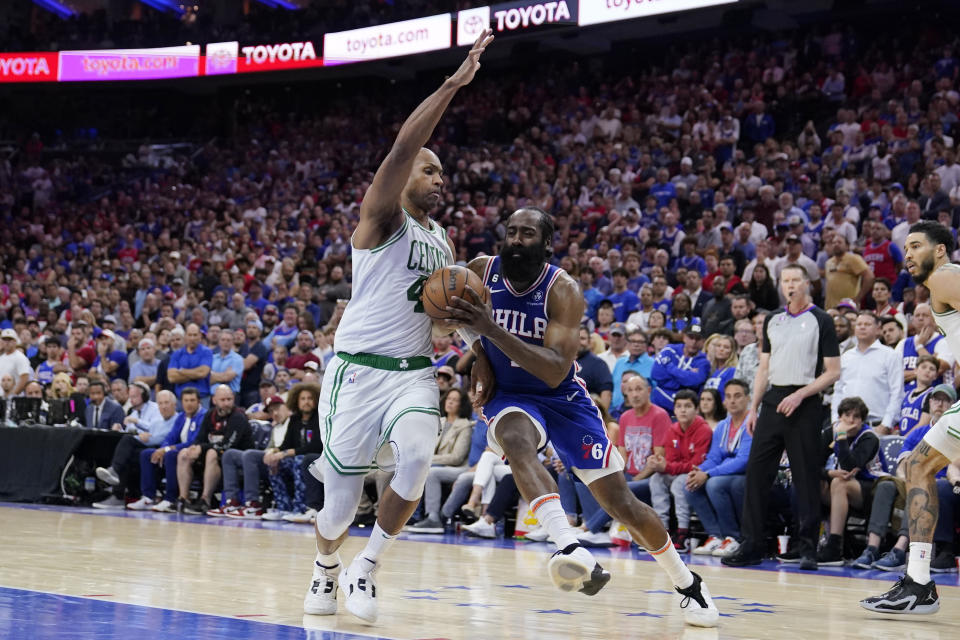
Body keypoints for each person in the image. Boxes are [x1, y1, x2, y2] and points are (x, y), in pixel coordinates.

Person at [448, 207, 718, 627]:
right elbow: (464, 320)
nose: (517, 240)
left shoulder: (563, 290)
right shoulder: (481, 270)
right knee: (517, 441)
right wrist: (481, 354)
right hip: (510, 394)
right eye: (512, 232)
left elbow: (555, 368)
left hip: (563, 396)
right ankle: (569, 546)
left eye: (527, 234)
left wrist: (494, 333)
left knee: (622, 503)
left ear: (547, 244)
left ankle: (686, 582)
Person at [302, 31, 493, 625]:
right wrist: (452, 85)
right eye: (430, 170)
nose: (440, 179)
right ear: (406, 174)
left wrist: (479, 355)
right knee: (335, 511)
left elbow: (457, 316)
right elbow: (405, 143)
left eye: (443, 174)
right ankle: (327, 566)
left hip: (413, 374)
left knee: (414, 457)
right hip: (355, 374)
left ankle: (367, 567)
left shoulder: (443, 242)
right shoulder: (382, 218)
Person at [862, 221, 960, 614]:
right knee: (918, 466)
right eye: (906, 247)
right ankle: (918, 583)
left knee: (919, 466)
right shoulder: (944, 285)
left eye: (916, 245)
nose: (909, 253)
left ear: (939, 250)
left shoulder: (945, 276)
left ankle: (918, 584)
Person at [722, 263, 841, 570]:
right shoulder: (773, 319)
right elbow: (764, 367)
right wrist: (754, 407)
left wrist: (800, 394)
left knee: (805, 477)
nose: (790, 285)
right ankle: (751, 545)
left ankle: (807, 548)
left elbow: (833, 372)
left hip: (806, 402)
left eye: (795, 280)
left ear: (807, 284)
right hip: (773, 401)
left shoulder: (821, 319)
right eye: (785, 280)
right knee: (757, 474)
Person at [687, 379, 752, 558]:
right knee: (690, 485)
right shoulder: (723, 425)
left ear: (748, 399)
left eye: (737, 396)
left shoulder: (752, 422)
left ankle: (733, 537)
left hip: (748, 475)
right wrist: (698, 471)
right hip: (724, 473)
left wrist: (708, 474)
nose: (732, 401)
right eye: (728, 396)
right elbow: (714, 457)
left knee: (714, 484)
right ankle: (716, 535)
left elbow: (744, 460)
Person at [816, 396, 880, 566]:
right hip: (839, 488)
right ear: (840, 416)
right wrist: (829, 473)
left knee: (840, 483)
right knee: (811, 482)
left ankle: (834, 547)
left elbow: (850, 466)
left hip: (869, 489)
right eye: (847, 415)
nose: (851, 420)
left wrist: (842, 437)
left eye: (856, 416)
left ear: (862, 420)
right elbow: (812, 466)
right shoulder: (830, 432)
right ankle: (804, 540)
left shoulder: (869, 437)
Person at [406, 388, 475, 533]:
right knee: (410, 467)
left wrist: (428, 459)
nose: (450, 402)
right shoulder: (439, 422)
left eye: (455, 400)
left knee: (430, 472)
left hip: (458, 467)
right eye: (449, 398)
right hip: (437, 463)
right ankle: (410, 515)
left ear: (461, 404)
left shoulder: (465, 425)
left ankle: (432, 517)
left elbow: (456, 458)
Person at [175, 385, 252, 514]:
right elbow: (200, 438)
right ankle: (183, 499)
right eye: (223, 400)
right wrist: (194, 448)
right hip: (216, 455)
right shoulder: (210, 414)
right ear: (214, 400)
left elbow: (228, 445)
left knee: (211, 453)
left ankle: (205, 500)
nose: (227, 403)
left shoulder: (238, 416)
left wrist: (202, 448)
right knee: (184, 454)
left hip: (236, 458)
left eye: (229, 399)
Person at [830, 312, 902, 434]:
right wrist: (835, 421)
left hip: (876, 425)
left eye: (867, 324)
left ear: (878, 329)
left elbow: (897, 393)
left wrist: (886, 424)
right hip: (845, 424)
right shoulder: (846, 357)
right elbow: (838, 390)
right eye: (859, 324)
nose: (862, 327)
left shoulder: (890, 355)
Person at [0, 329, 31, 398]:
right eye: (4, 340)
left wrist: (13, 395)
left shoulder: (20, 357)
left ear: (15, 342)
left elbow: (24, 378)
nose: (7, 342)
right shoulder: (1, 357)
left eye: (10, 340)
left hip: (14, 398)